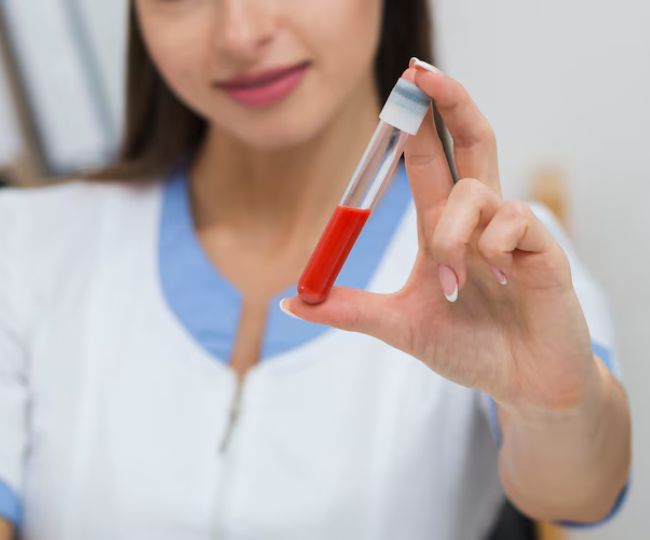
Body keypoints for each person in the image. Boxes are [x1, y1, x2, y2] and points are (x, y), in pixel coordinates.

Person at [0, 0, 630, 539]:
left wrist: (556, 408)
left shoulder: (501, 261)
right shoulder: (27, 244)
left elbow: (580, 493)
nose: (241, 33)